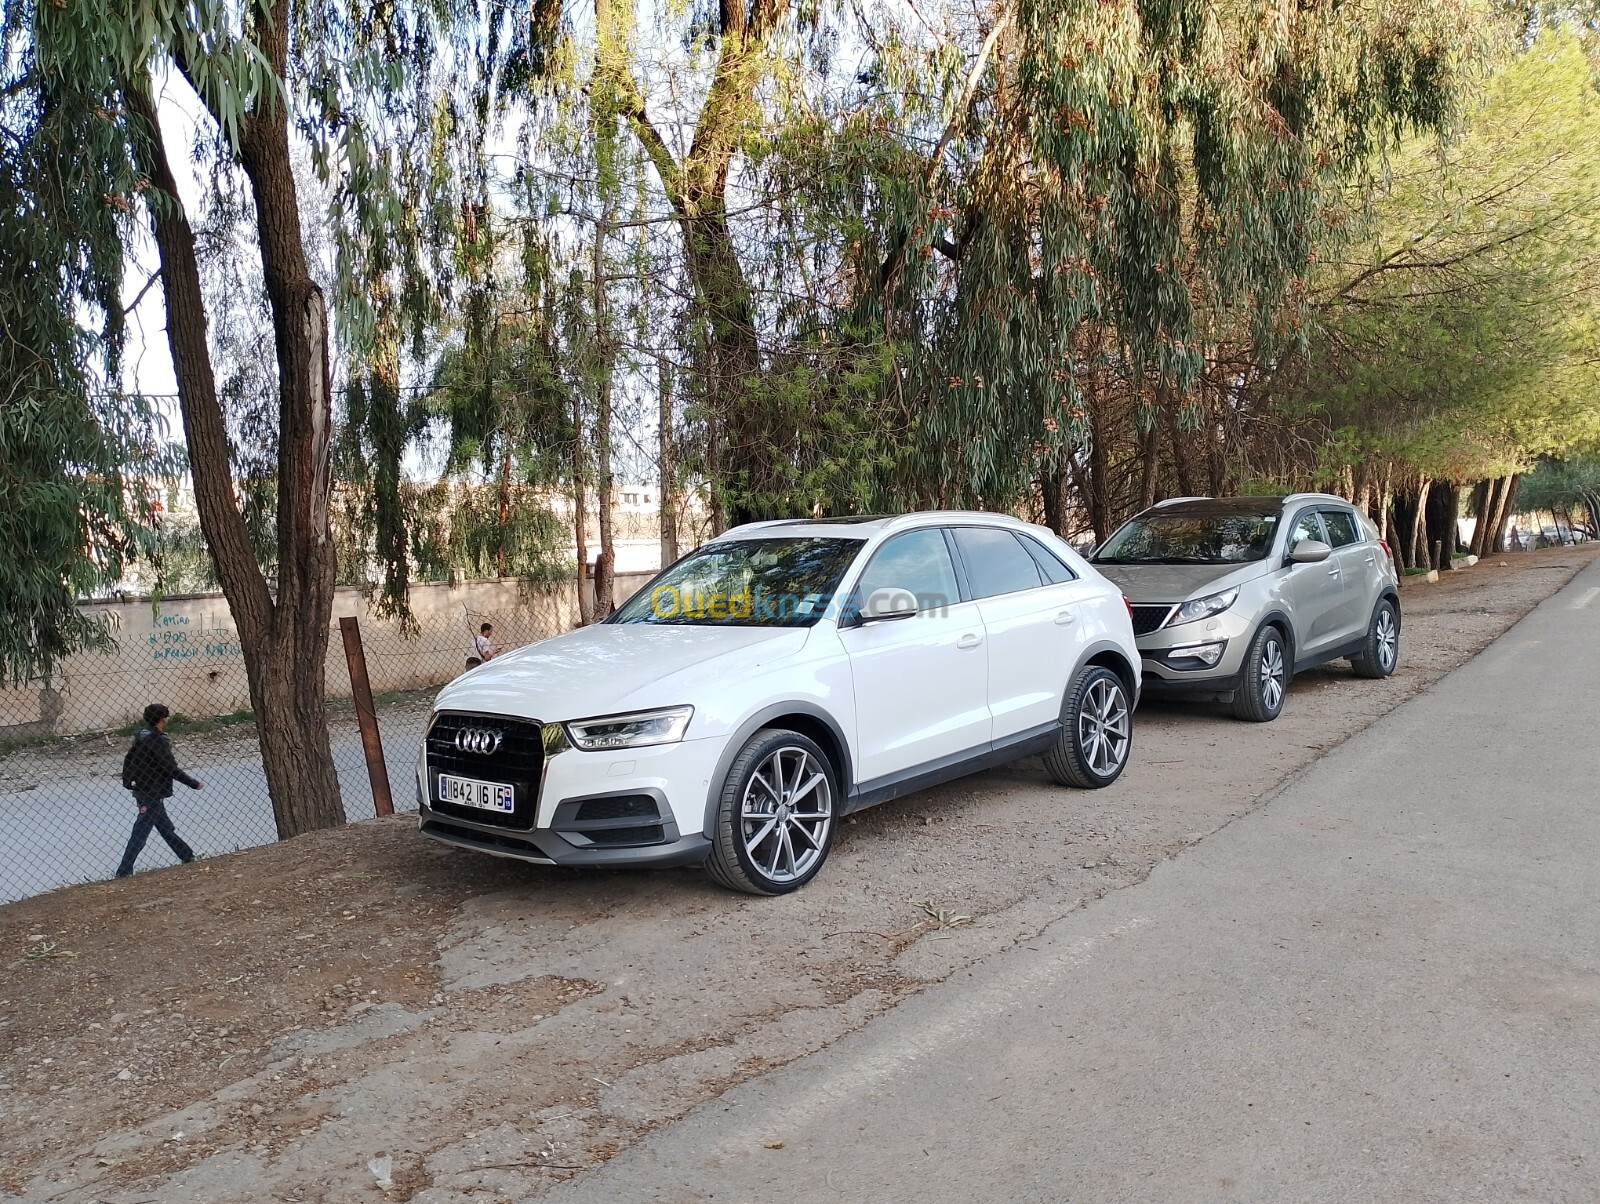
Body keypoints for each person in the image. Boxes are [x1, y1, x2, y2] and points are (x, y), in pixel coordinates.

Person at [116, 703, 203, 879]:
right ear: (163, 719)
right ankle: (123, 871)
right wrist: (193, 783)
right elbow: (170, 768)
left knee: (165, 827)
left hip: (142, 788)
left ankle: (187, 855)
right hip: (151, 791)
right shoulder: (158, 741)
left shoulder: (141, 736)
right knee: (141, 832)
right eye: (167, 717)